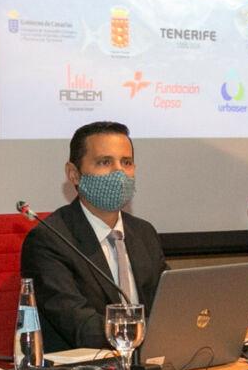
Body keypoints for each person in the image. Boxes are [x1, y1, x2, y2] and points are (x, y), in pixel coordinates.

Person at [19, 121, 168, 351]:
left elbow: (170, 306)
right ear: (74, 174)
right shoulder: (49, 241)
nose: (119, 173)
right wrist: (153, 332)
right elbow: (82, 329)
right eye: (104, 162)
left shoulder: (144, 233)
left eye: (126, 162)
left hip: (151, 365)